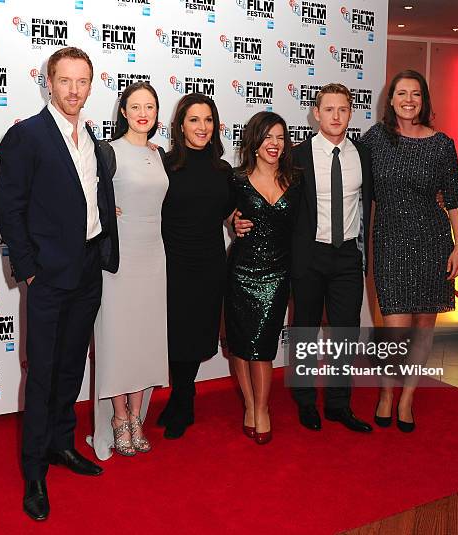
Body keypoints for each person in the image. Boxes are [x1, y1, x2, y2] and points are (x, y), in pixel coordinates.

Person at [0, 47, 119, 521]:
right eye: (64, 80)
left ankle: (61, 446)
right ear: (49, 82)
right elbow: (11, 207)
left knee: (71, 368)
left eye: (81, 81)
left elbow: (91, 196)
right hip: (47, 275)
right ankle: (33, 472)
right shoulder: (26, 136)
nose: (73, 90)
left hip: (88, 269)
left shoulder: (91, 138)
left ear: (91, 85)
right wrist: (28, 268)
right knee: (43, 372)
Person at [235, 83, 373, 434]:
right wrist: (234, 217)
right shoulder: (296, 157)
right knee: (305, 330)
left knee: (345, 332)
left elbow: (374, 203)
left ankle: (340, 405)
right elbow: (261, 195)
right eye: (329, 109)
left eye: (343, 109)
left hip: (347, 256)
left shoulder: (363, 154)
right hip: (308, 255)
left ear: (351, 113)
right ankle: (306, 401)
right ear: (316, 113)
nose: (336, 116)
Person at [360, 70, 458, 432]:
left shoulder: (442, 144)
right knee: (394, 333)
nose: (409, 100)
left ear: (424, 100)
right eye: (401, 93)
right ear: (389, 100)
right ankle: (387, 394)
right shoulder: (375, 139)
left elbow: (454, 199)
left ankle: (407, 398)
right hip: (389, 242)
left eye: (416, 94)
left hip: (433, 243)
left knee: (422, 329)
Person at [89, 82, 169, 460]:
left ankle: (137, 415)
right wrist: (109, 215)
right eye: (135, 106)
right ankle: (118, 416)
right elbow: (89, 194)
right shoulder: (109, 151)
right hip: (118, 261)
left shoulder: (160, 153)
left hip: (154, 257)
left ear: (156, 113)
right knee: (117, 340)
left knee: (145, 339)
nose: (142, 113)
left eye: (149, 106)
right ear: (123, 111)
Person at [158, 93, 234, 440]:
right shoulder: (165, 164)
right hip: (173, 263)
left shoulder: (223, 170)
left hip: (210, 264)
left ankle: (183, 397)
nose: (202, 127)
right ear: (180, 125)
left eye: (207, 120)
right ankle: (182, 395)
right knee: (176, 333)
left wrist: (241, 220)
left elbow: (231, 213)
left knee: (199, 332)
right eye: (194, 120)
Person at [225, 112, 300, 445]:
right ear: (255, 142)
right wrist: (231, 221)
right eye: (268, 137)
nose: (275, 144)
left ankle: (264, 408)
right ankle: (251, 405)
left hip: (278, 274)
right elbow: (223, 210)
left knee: (263, 347)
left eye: (280, 137)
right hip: (241, 271)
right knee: (241, 345)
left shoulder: (296, 180)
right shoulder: (237, 179)